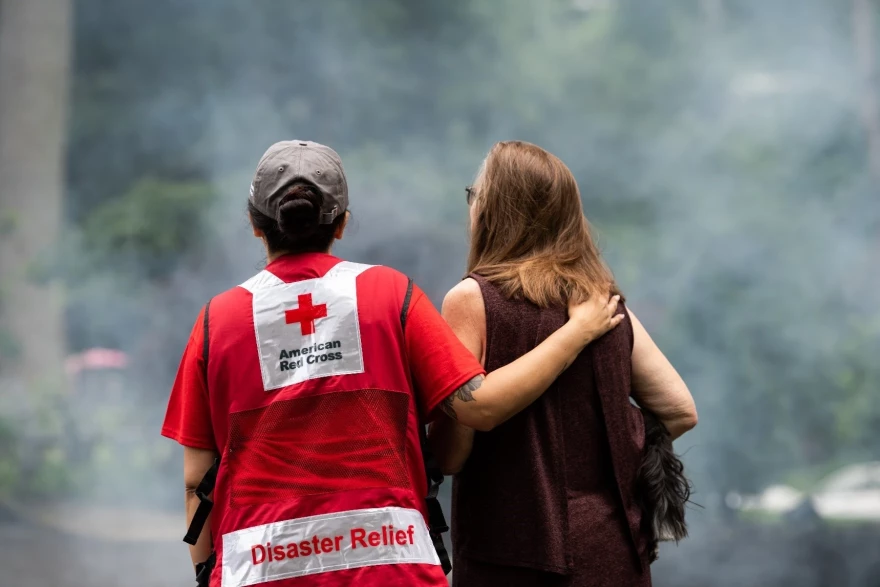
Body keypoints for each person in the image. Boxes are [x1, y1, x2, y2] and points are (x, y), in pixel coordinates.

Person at [160, 140, 625, 587]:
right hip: (391, 566)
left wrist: (206, 573)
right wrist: (578, 331)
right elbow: (478, 405)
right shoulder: (390, 295)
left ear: (255, 223)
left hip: (259, 571)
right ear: (341, 223)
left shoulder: (214, 322)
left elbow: (196, 483)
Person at [429, 140, 699, 587]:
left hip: (511, 553)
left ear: (494, 209)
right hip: (613, 548)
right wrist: (609, 435)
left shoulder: (472, 300)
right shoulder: (603, 304)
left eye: (474, 195)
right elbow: (679, 410)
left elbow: (452, 454)